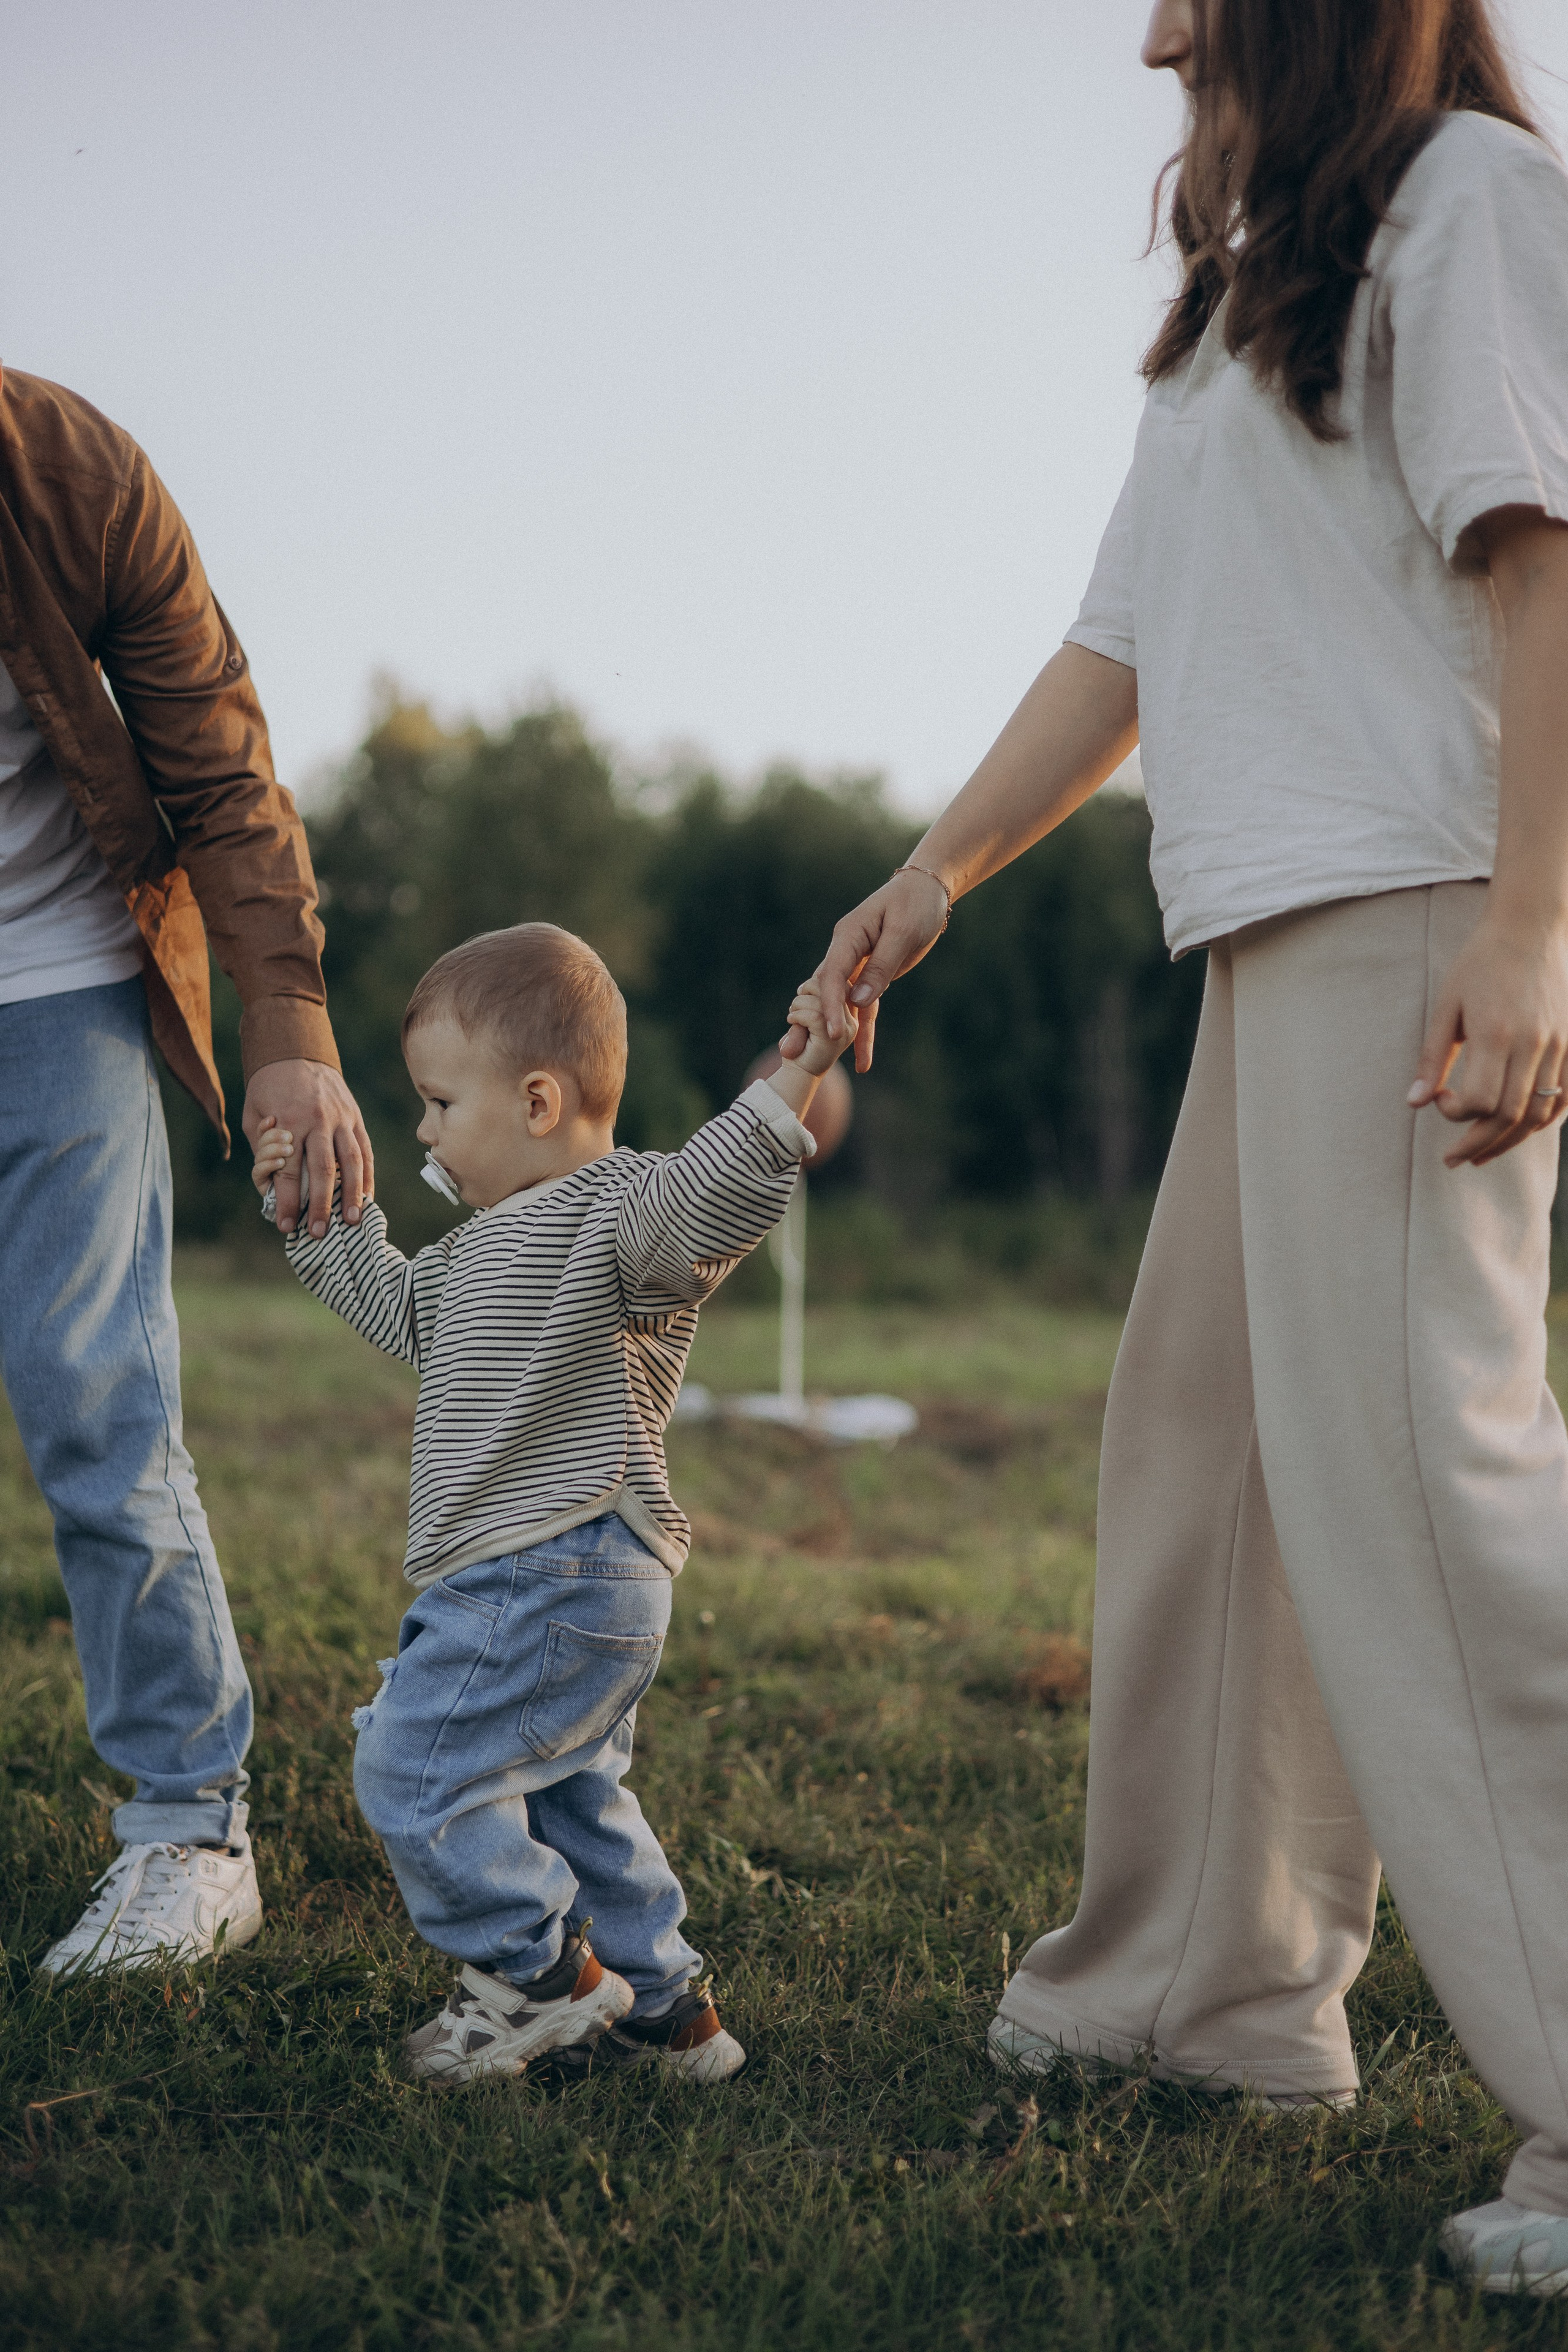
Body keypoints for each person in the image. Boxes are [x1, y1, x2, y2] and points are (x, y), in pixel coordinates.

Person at [788, 0, 1568, 2297]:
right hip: (1268, 926)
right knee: (1212, 1469)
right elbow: (1120, 642)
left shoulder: (1471, 203)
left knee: (1434, 1494)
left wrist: (1534, 934)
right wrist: (935, 870)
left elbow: (1545, 567)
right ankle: (1195, 1996)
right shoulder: (1250, 294)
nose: (1146, 35)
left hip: (1430, 905)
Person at [250, 921, 854, 2083]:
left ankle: (537, 1978)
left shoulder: (621, 1213)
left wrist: (796, 1079)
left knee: (415, 1767)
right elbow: (403, 1312)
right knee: (570, 1795)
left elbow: (714, 1194)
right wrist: (312, 1212)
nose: (422, 1130)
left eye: (437, 1103)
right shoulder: (482, 1248)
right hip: (552, 1574)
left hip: (557, 1558)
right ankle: (669, 2017)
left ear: (537, 1102)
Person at [2, 368, 374, 1978]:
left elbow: (220, 770)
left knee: (93, 1388)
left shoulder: (70, 470)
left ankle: (188, 1831)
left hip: (52, 975)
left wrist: (290, 1026)